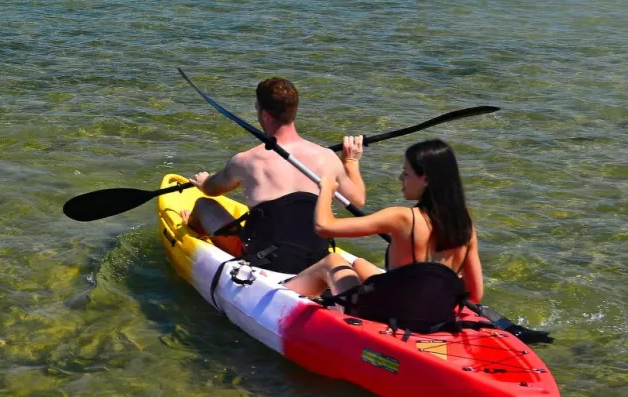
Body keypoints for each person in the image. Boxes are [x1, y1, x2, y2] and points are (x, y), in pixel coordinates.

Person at [282, 137, 484, 326]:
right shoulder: (466, 229)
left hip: (389, 316)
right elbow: (475, 294)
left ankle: (279, 294)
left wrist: (326, 188)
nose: (400, 178)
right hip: (434, 315)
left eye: (406, 173)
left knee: (332, 261)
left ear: (426, 180)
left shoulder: (402, 218)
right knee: (360, 264)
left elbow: (324, 227)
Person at [185, 77, 367, 273]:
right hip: (315, 257)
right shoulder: (328, 157)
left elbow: (212, 190)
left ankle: (191, 235)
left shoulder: (246, 161)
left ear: (265, 114)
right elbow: (357, 201)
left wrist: (203, 181)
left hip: (264, 259)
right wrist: (351, 162)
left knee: (204, 205)